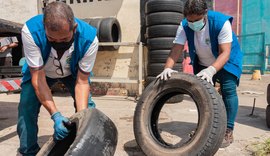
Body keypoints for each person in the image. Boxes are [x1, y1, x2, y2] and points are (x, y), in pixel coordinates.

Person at [157, 0, 243, 148]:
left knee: (228, 91)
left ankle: (228, 129)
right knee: (203, 94)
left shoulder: (221, 23)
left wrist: (211, 70)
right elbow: (176, 48)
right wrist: (167, 68)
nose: (193, 23)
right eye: (190, 20)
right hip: (203, 61)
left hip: (226, 60)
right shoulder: (184, 25)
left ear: (205, 14)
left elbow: (225, 52)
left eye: (197, 20)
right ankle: (204, 127)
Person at [17, 1, 98, 155]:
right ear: (44, 28)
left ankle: (84, 145)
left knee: (87, 108)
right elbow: (38, 78)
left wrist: (81, 121)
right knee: (27, 105)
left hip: (73, 73)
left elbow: (81, 82)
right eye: (52, 40)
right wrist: (56, 115)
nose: (58, 44)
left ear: (74, 28)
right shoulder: (30, 31)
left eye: (64, 39)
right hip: (41, 72)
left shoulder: (89, 39)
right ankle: (28, 151)